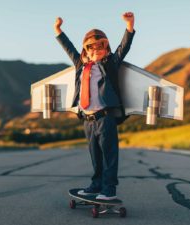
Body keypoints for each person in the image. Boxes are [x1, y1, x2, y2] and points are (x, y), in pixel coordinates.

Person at [54, 12, 135, 200]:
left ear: (106, 49)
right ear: (85, 51)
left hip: (104, 117)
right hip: (87, 119)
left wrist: (129, 25)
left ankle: (109, 189)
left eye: (101, 46)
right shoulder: (81, 66)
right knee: (95, 156)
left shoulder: (110, 64)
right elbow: (69, 48)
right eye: (91, 47)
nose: (96, 50)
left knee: (109, 155)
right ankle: (96, 184)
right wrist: (58, 30)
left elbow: (124, 47)